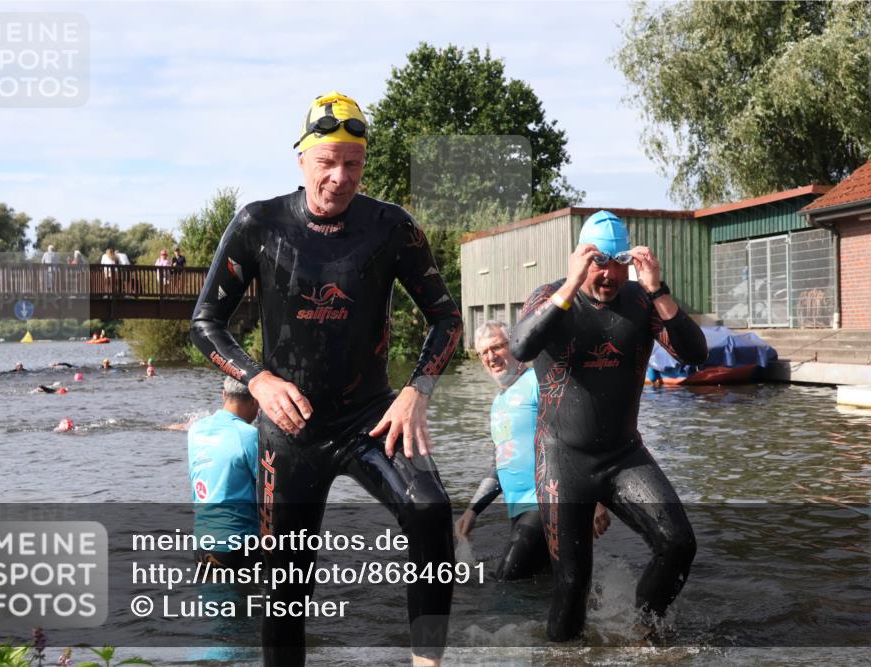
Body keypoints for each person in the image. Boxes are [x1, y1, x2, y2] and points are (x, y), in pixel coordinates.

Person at [191, 90, 462, 667]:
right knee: (286, 589)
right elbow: (205, 321)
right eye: (327, 163)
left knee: (431, 509)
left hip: (371, 416)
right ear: (302, 160)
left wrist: (418, 390)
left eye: (353, 164)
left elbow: (447, 317)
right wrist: (258, 379)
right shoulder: (258, 224)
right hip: (291, 430)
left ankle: (427, 663)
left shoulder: (391, 227)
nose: (340, 178)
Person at [510, 210, 708, 641]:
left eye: (619, 264)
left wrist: (658, 287)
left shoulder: (641, 301)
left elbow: (694, 355)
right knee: (572, 583)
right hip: (563, 459)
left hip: (623, 455)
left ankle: (644, 632)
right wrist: (568, 285)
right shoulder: (551, 296)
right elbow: (521, 347)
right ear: (581, 260)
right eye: (599, 263)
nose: (609, 276)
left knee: (678, 544)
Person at [455, 320, 610, 581]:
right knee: (542, 588)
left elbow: (579, 434)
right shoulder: (498, 404)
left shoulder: (538, 382)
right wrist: (472, 510)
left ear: (515, 346)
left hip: (548, 502)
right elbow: (501, 463)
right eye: (484, 352)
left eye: (497, 347)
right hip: (519, 510)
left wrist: (595, 498)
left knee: (505, 581)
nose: (491, 357)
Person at [188, 376, 262, 569]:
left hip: (202, 543)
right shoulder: (250, 435)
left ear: (223, 395)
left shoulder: (195, 430)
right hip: (239, 541)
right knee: (252, 597)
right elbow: (268, 490)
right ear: (255, 401)